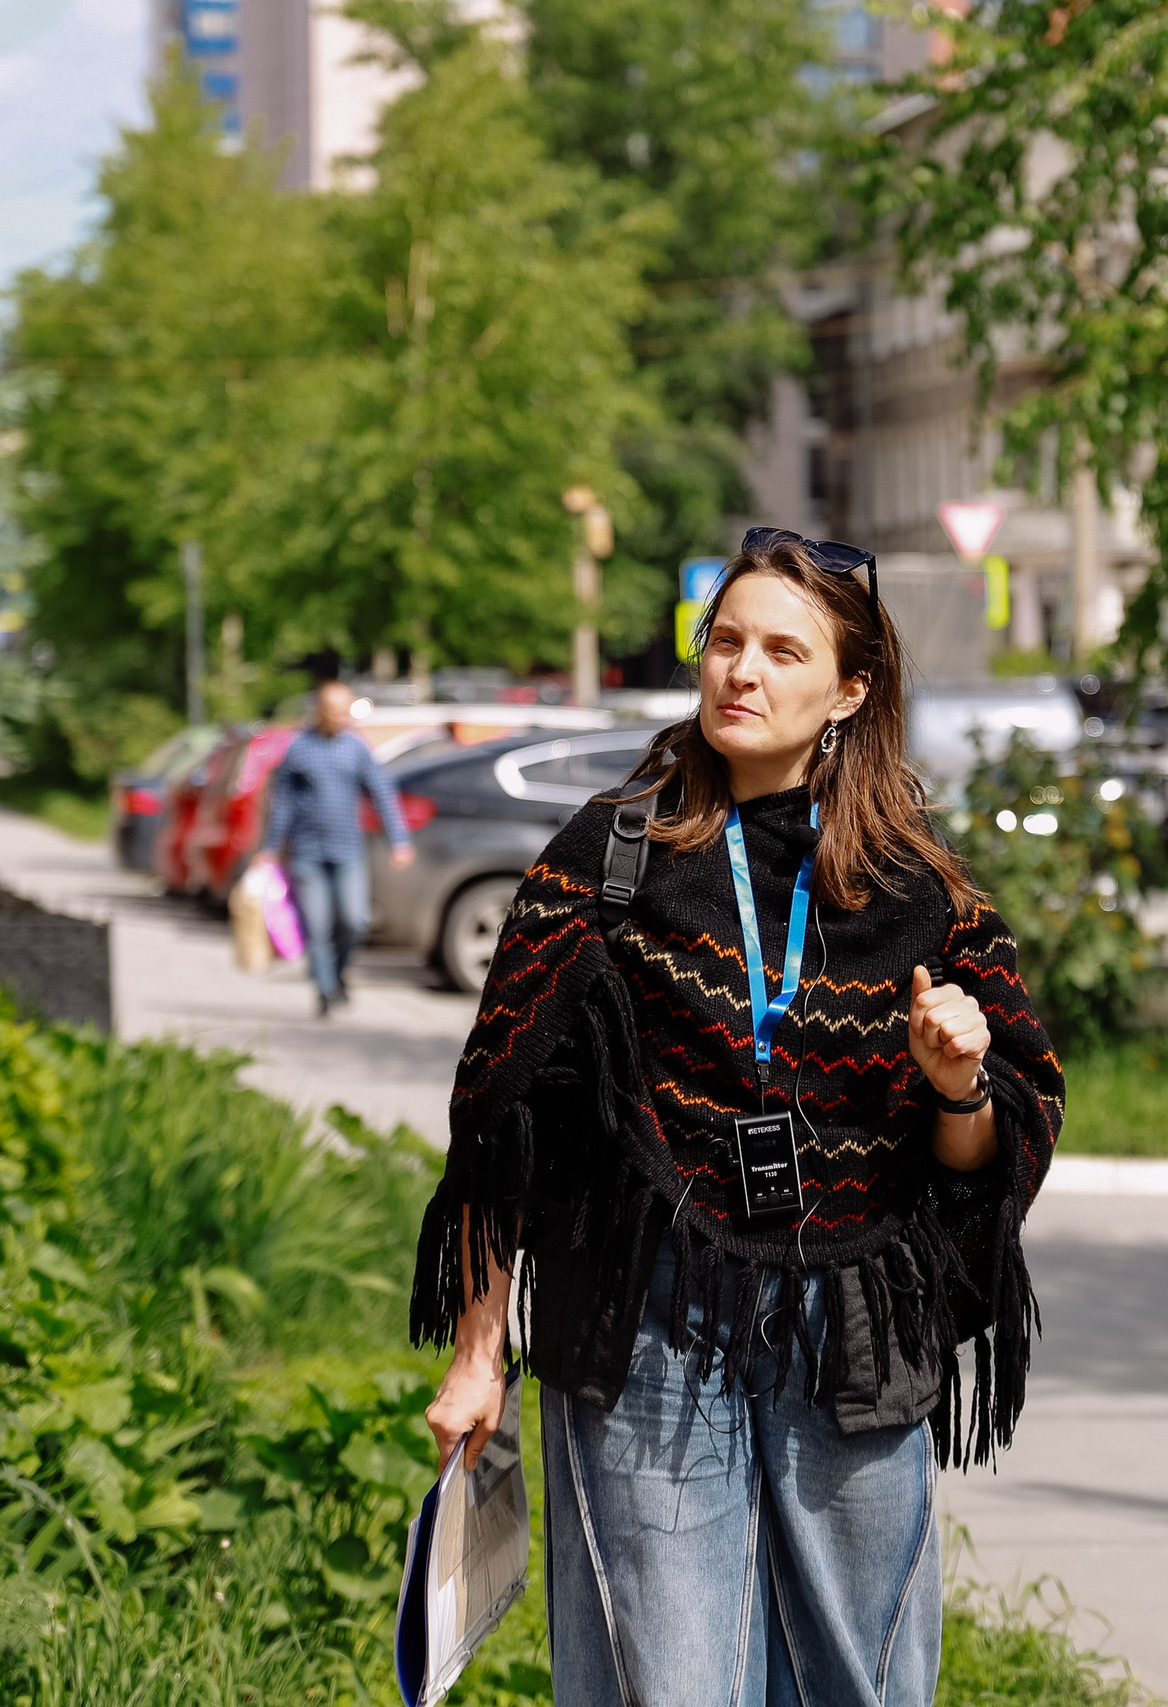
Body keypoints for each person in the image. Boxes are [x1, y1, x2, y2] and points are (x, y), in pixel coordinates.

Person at [413, 530, 1064, 1707]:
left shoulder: (918, 890)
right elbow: (505, 1123)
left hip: (854, 1329)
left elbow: (991, 1158)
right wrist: (478, 1356)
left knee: (861, 1689)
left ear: (848, 691)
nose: (741, 672)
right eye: (725, 642)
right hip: (647, 1321)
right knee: (676, 1689)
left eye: (780, 649)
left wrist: (958, 1086)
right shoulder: (608, 860)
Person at [258, 680, 414, 1017]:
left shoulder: (356, 748)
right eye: (335, 711)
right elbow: (282, 802)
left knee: (354, 920)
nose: (342, 717)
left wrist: (399, 840)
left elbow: (382, 794)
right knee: (316, 926)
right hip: (307, 852)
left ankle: (339, 973)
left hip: (347, 852)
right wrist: (270, 846)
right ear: (320, 711)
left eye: (346, 711)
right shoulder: (299, 749)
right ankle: (325, 990)